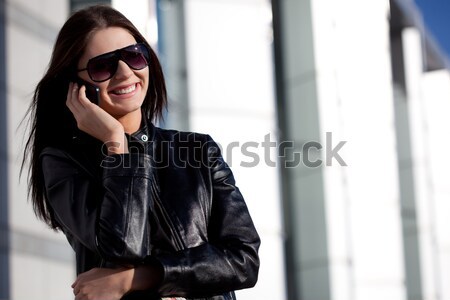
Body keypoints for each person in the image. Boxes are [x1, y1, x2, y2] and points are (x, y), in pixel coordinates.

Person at [22, 4, 260, 300]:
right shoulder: (64, 162)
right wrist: (117, 144)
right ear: (77, 86)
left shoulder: (197, 149)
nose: (125, 72)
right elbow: (123, 245)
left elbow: (243, 260)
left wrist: (138, 278)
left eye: (134, 56)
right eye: (102, 66)